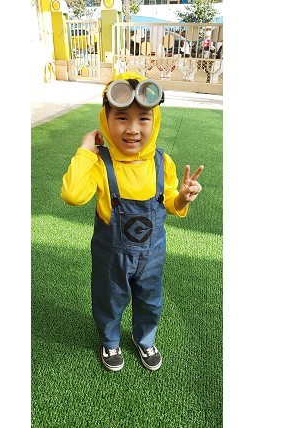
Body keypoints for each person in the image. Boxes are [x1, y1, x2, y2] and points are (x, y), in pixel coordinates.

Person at [61, 72, 204, 372]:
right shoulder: (100, 164)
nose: (133, 129)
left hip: (153, 254)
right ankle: (110, 341)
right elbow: (73, 195)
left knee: (151, 300)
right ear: (106, 119)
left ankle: (145, 338)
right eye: (122, 118)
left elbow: (169, 202)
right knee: (109, 299)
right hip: (111, 256)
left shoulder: (162, 162)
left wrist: (182, 198)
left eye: (143, 119)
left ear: (155, 120)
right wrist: (86, 149)